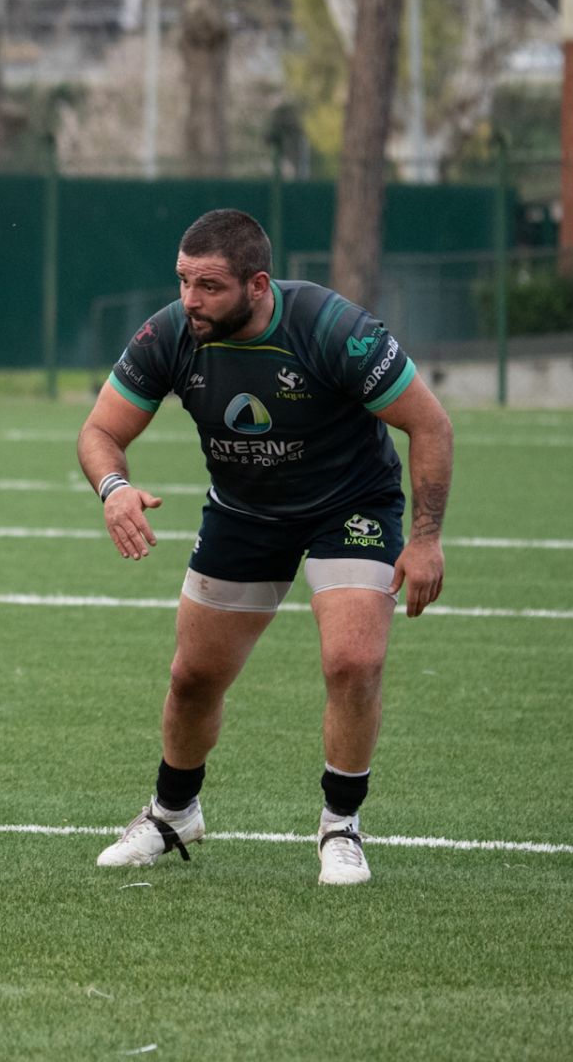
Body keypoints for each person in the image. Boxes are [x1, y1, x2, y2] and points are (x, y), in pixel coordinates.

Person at [78, 209, 453, 886]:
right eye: (183, 281)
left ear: (257, 285)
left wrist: (425, 539)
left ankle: (341, 825)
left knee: (354, 659)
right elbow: (100, 431)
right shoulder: (170, 333)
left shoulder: (332, 329)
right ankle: (172, 813)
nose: (190, 300)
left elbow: (430, 425)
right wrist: (114, 488)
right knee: (194, 677)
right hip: (245, 511)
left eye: (209, 286)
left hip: (350, 506)